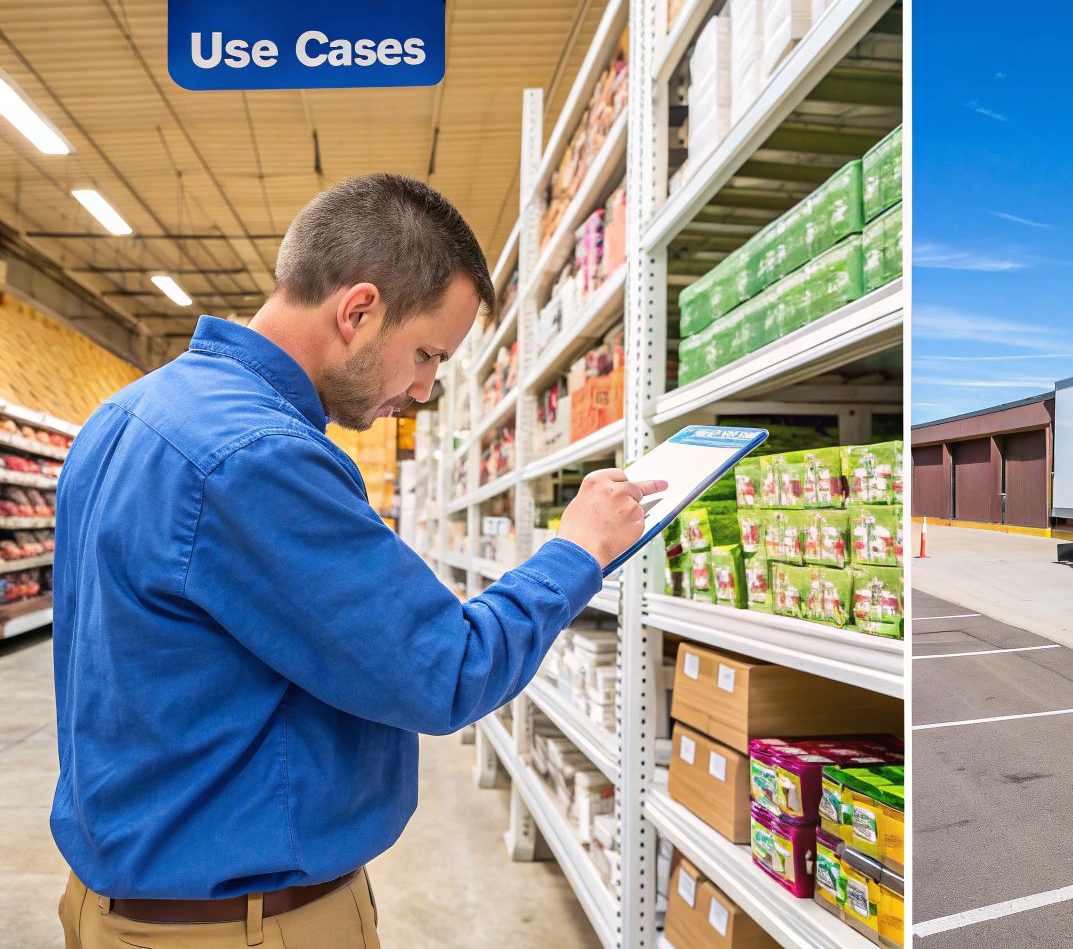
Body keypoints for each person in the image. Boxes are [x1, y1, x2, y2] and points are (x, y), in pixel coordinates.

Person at [49, 174, 664, 947]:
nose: (425, 389)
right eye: (427, 354)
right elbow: (448, 672)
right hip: (236, 929)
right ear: (359, 310)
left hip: (124, 899)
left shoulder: (127, 414)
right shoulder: (258, 458)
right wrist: (578, 551)